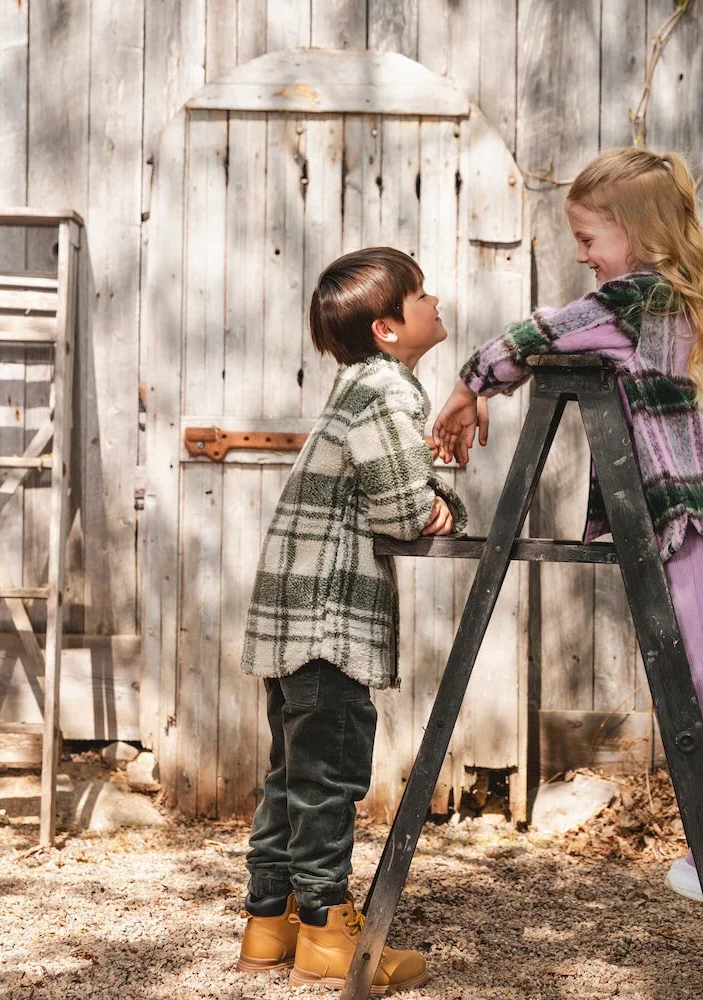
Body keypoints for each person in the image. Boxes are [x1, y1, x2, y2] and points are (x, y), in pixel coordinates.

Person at [432, 147, 703, 912]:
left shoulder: (637, 299)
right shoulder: (643, 302)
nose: (583, 255)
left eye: (589, 238)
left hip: (694, 513)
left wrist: (470, 385)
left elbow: (542, 332)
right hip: (692, 511)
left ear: (635, 230)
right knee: (699, 690)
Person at [237, 246, 463, 992]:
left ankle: (270, 921)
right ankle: (327, 932)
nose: (436, 302)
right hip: (329, 624)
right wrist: (443, 503)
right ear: (387, 328)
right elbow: (402, 510)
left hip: (294, 620)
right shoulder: (385, 391)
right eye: (421, 296)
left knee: (292, 775)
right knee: (328, 778)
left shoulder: (356, 388)